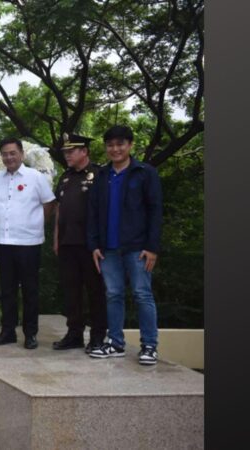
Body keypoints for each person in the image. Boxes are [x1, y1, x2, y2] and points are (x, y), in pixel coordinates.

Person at [87, 125, 163, 365]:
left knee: (142, 294)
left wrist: (152, 247)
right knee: (113, 295)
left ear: (130, 145)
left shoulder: (144, 173)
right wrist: (94, 244)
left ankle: (149, 346)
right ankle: (116, 343)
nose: (115, 149)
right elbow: (93, 212)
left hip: (138, 248)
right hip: (108, 249)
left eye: (120, 144)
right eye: (110, 145)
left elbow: (155, 211)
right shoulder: (101, 175)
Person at [0, 137, 56, 350]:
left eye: (13, 153)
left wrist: (37, 224)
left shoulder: (36, 177)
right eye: (5, 154)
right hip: (3, 241)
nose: (9, 157)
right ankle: (7, 332)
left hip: (29, 242)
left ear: (21, 154)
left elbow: (49, 203)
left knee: (30, 289)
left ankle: (30, 333)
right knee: (6, 289)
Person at [51, 134, 107, 353]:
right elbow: (59, 210)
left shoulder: (99, 174)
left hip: (91, 245)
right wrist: (56, 239)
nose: (67, 155)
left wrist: (101, 243)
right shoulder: (65, 177)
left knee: (95, 291)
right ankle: (74, 334)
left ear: (84, 151)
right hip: (67, 243)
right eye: (65, 152)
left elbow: (105, 211)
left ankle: (97, 336)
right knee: (71, 291)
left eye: (71, 151)